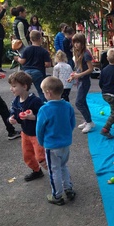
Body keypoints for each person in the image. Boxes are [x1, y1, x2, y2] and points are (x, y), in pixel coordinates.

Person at [36, 76, 76, 205]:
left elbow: (39, 129)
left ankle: (57, 196)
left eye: (43, 92)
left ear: (49, 92)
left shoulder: (44, 109)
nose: (43, 94)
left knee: (54, 171)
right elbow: (72, 123)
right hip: (65, 144)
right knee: (63, 166)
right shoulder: (67, 106)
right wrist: (66, 135)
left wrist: (41, 142)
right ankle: (68, 189)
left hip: (52, 146)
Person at [8, 72, 47, 182]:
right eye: (11, 86)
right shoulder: (16, 100)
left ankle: (55, 172)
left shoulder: (35, 101)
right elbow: (14, 112)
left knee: (41, 157)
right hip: (25, 134)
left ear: (24, 86)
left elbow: (44, 116)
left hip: (36, 134)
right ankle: (36, 171)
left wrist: (33, 117)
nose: (11, 89)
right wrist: (12, 118)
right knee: (27, 156)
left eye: (14, 86)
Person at [69, 33, 94, 133]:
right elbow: (79, 69)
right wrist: (73, 75)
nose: (76, 45)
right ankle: (88, 121)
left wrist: (79, 75)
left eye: (78, 42)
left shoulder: (86, 54)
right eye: (74, 42)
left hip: (85, 82)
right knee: (82, 102)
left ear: (83, 43)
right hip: (80, 81)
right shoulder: (78, 52)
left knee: (78, 102)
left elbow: (91, 69)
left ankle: (89, 122)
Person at [18, 30, 52, 102]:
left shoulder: (26, 49)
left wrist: (18, 59)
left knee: (24, 90)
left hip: (26, 72)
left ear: (30, 39)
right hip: (38, 72)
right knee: (41, 91)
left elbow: (22, 61)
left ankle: (23, 104)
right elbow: (47, 64)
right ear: (40, 39)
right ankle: (44, 106)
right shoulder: (44, 51)